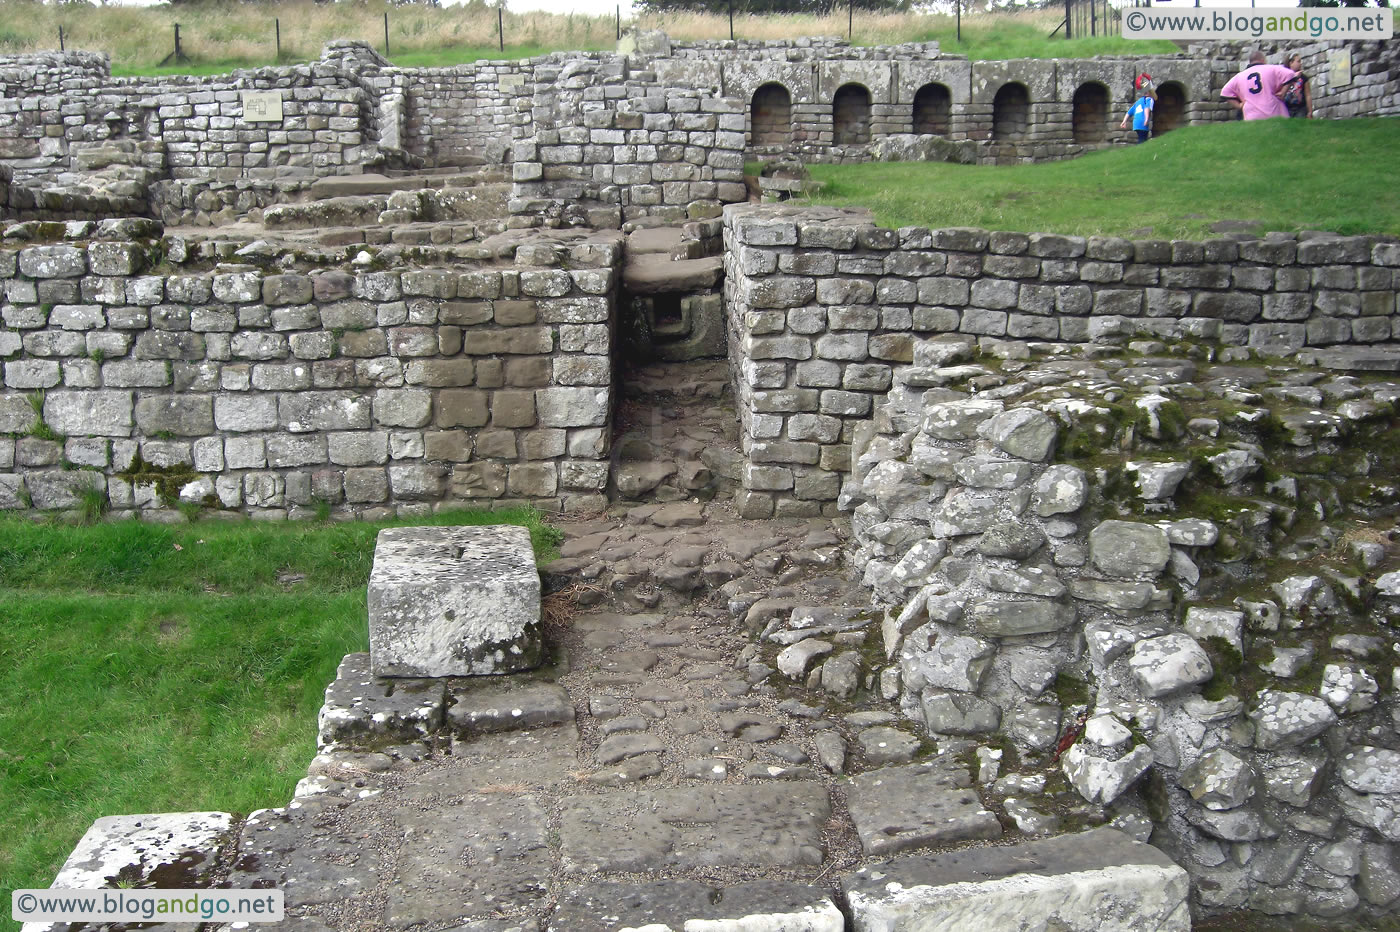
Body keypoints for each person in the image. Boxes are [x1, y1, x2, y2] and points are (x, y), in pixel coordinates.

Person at [1220, 50, 1298, 121]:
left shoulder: (1239, 76)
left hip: (1251, 115)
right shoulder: (1272, 68)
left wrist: (1239, 105)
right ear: (1263, 60)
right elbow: (1291, 74)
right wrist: (1283, 92)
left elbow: (1224, 92)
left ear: (1250, 62)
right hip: (1273, 111)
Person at [1278, 53, 1313, 119]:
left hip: (1300, 108)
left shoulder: (1303, 78)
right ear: (1291, 63)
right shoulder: (1283, 77)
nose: (1300, 64)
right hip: (1286, 108)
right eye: (1298, 61)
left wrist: (1310, 111)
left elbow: (1308, 95)